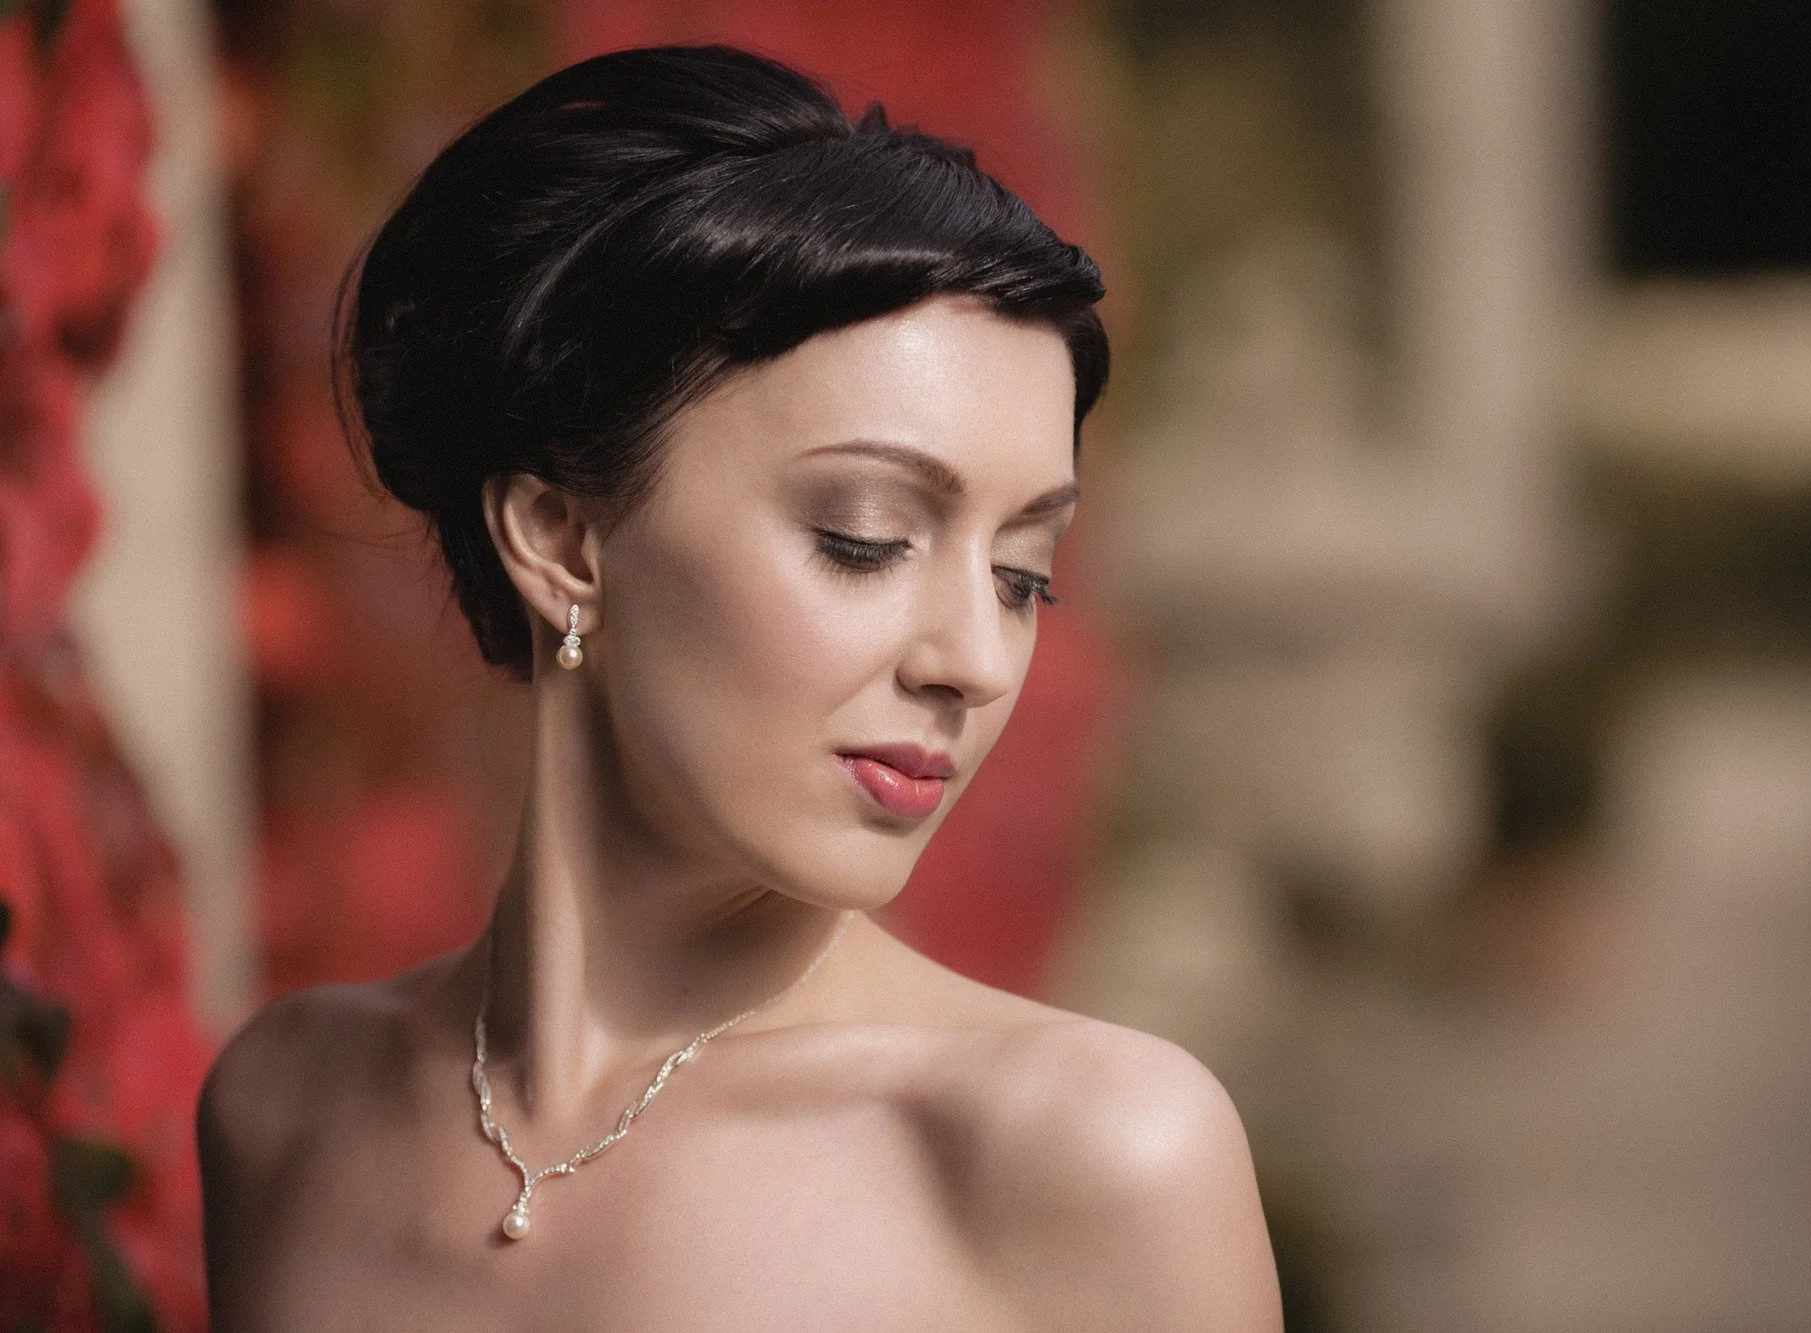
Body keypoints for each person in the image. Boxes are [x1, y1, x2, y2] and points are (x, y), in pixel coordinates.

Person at [197, 44, 1282, 1332]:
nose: (974, 663)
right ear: (560, 538)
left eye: (1021, 576)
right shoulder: (284, 1112)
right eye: (866, 539)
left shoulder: (1087, 1155)